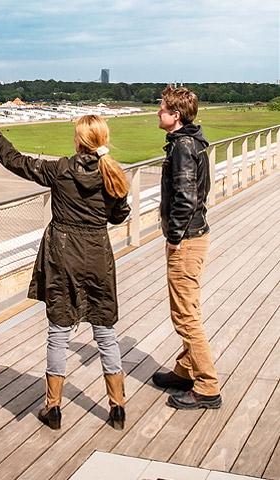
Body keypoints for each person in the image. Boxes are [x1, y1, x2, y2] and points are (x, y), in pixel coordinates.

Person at [0, 114, 130, 430]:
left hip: (62, 256)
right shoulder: (111, 173)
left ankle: (54, 408)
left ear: (79, 141)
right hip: (97, 256)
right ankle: (117, 408)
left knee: (59, 331)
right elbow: (118, 216)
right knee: (104, 330)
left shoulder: (60, 170)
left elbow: (18, 162)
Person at [151, 85, 221, 409]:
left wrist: (174, 237)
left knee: (186, 315)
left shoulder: (182, 147)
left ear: (175, 116)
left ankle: (207, 385)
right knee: (185, 307)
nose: (158, 112)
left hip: (187, 240)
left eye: (162, 108)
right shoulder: (190, 142)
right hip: (195, 235)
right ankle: (186, 369)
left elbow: (186, 199)